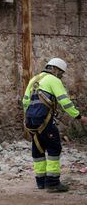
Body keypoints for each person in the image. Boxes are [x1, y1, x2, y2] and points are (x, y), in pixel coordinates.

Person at [22, 58, 87, 192]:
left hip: (30, 122)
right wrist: (79, 116)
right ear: (56, 70)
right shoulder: (54, 80)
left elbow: (25, 102)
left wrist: (32, 118)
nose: (61, 76)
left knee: (38, 149)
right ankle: (53, 183)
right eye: (61, 73)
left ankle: (41, 182)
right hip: (44, 121)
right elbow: (65, 102)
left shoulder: (34, 79)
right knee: (54, 148)